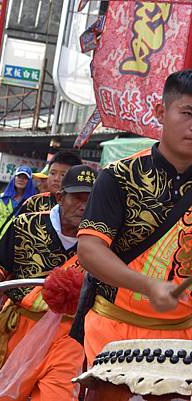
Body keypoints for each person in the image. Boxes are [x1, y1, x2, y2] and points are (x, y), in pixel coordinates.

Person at [77, 69, 192, 363]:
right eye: (187, 113)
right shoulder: (119, 176)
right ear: (160, 111)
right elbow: (90, 250)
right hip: (114, 332)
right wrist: (148, 285)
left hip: (185, 341)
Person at [0, 165, 97, 401]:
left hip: (69, 334)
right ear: (60, 197)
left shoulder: (100, 241)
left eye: (90, 200)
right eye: (77, 198)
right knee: (4, 396)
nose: (83, 206)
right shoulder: (25, 225)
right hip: (22, 325)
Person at [0, 166, 36, 259]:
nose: (21, 180)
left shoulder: (33, 201)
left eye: (25, 178)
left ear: (29, 182)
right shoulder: (2, 198)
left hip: (19, 248)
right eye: (19, 176)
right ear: (14, 178)